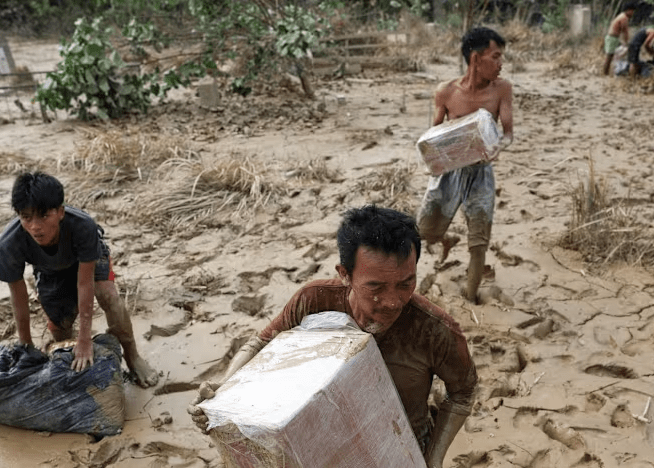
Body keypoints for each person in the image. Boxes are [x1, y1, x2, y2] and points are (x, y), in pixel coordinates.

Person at [188, 206, 478, 468]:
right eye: (375, 286)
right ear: (344, 274)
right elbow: (261, 345)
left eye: (406, 283)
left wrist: (435, 459)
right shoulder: (314, 301)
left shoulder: (434, 329)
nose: (392, 302)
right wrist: (224, 392)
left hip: (400, 446)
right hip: (317, 444)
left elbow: (463, 392)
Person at [0, 172, 158, 387]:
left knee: (108, 295)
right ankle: (66, 351)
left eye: (43, 216)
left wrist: (85, 339)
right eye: (26, 217)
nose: (35, 226)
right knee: (60, 325)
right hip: (50, 268)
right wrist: (26, 345)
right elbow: (18, 295)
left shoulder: (82, 226)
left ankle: (133, 356)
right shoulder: (8, 243)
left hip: (87, 260)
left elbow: (84, 282)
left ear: (60, 212)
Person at [417, 27, 513, 304]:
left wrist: (497, 147)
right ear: (475, 59)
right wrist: (432, 158)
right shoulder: (445, 92)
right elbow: (432, 136)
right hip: (449, 171)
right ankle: (444, 240)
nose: (500, 64)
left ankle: (470, 298)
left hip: (481, 173)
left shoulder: (502, 89)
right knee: (426, 232)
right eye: (495, 57)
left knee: (479, 241)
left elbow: (507, 133)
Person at [603, 2, 636, 76]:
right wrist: (627, 42)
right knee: (609, 57)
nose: (633, 13)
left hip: (612, 38)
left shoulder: (621, 16)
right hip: (612, 38)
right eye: (632, 11)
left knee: (611, 56)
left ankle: (607, 73)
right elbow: (625, 32)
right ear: (628, 10)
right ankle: (605, 74)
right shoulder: (624, 18)